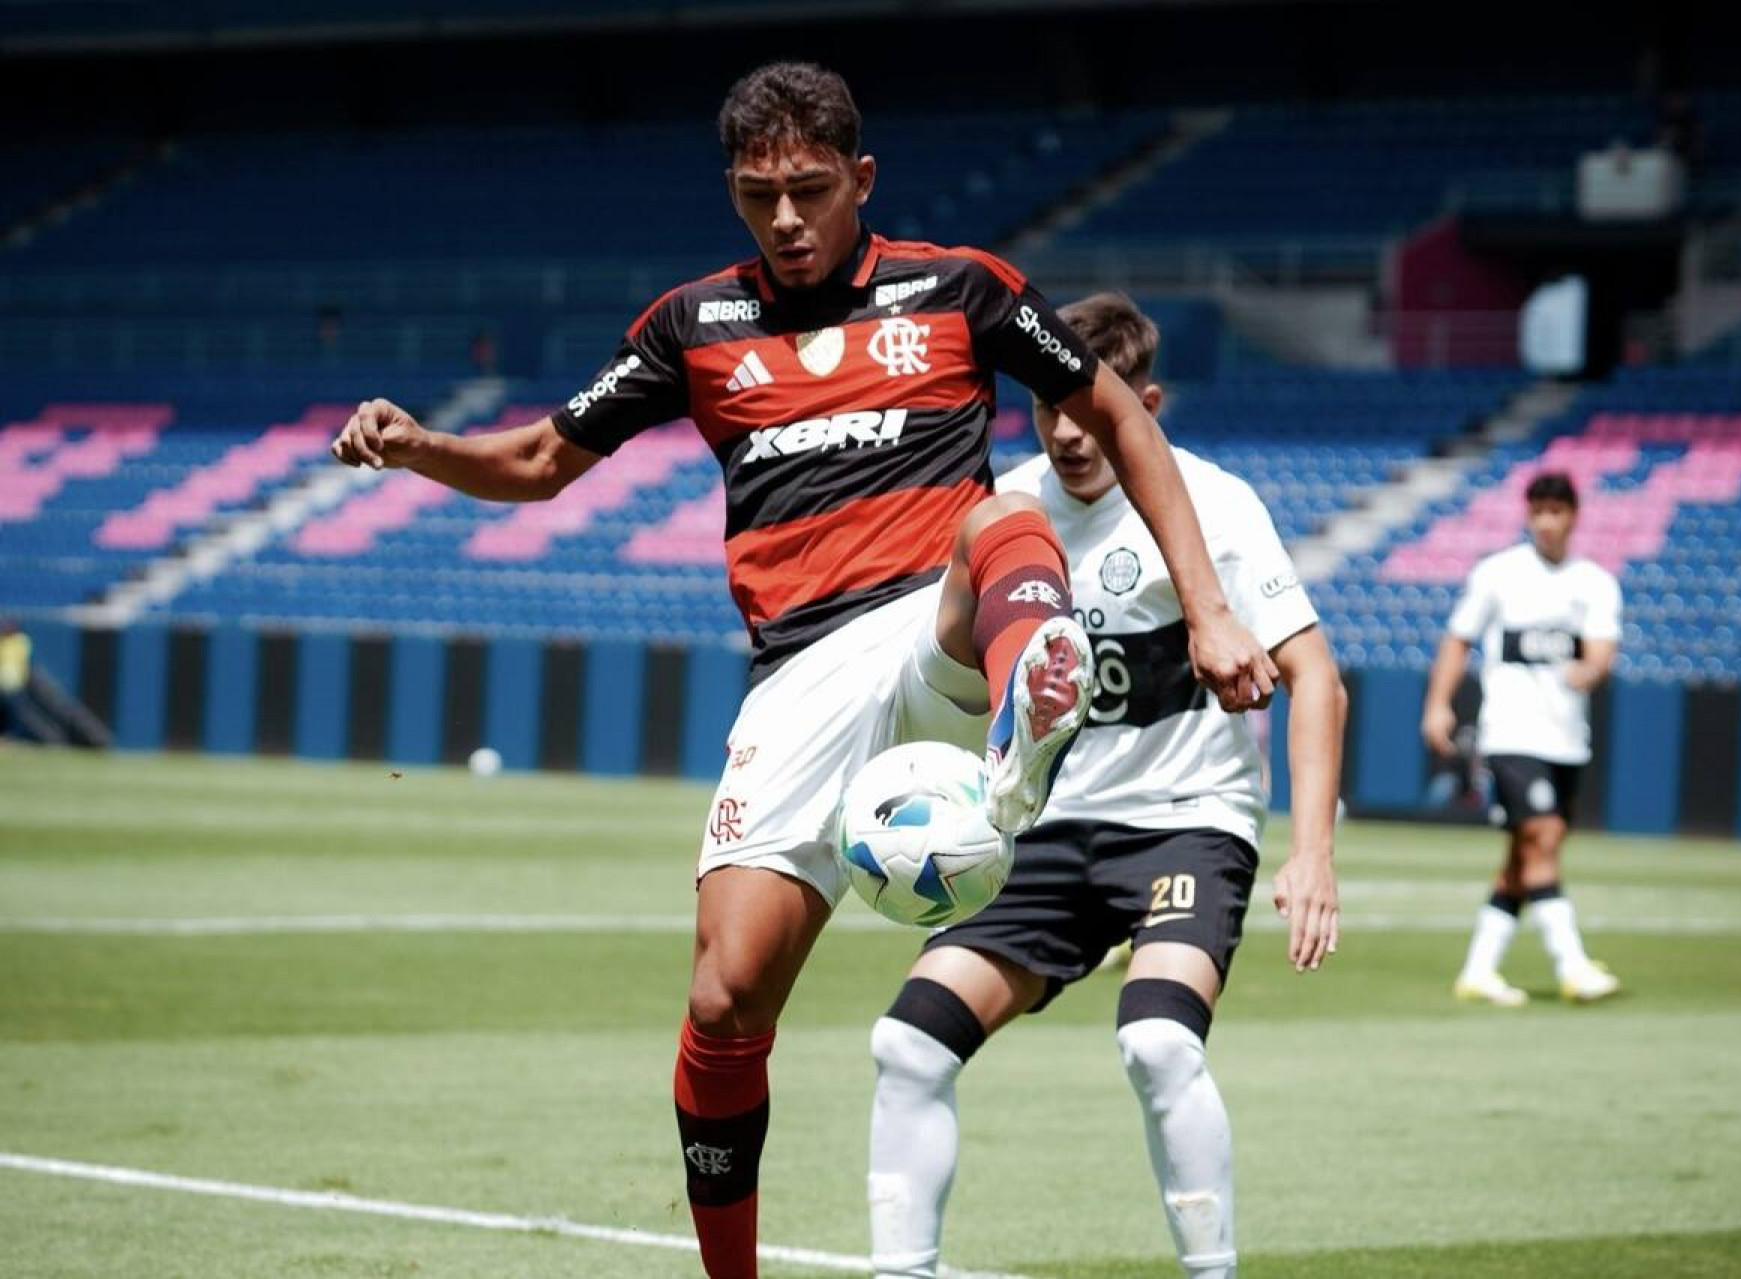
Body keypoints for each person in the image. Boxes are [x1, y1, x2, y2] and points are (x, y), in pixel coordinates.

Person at [328, 65, 1278, 1278]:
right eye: (758, 194)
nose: (785, 219)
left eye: (810, 191)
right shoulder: (692, 327)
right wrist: (423, 449)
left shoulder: (963, 290)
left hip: (939, 626)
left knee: (997, 522)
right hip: (797, 681)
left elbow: (1123, 419)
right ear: (734, 193)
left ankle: (1027, 704)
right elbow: (538, 459)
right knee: (725, 1002)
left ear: (860, 182)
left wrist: (1206, 611)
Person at [866, 293, 1345, 1279]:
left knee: (1159, 1045)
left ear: (1147, 403)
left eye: (1093, 407)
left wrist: (1313, 853)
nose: (1071, 430)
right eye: (1051, 406)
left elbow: (1318, 679)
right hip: (1046, 830)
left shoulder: (1213, 505)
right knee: (907, 1044)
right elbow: (952, 675)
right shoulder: (1007, 513)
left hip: (1184, 826)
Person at [1420, 471, 1622, 1006]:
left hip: (1567, 739)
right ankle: (1572, 965)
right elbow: (1458, 640)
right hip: (1510, 734)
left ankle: (1479, 971)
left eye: (1557, 512)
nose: (1548, 522)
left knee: (1522, 854)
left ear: (1573, 516)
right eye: (1539, 512)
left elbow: (1601, 652)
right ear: (1528, 515)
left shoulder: (1594, 582)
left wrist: (1589, 671)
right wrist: (1438, 704)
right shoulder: (1497, 574)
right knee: (1544, 839)